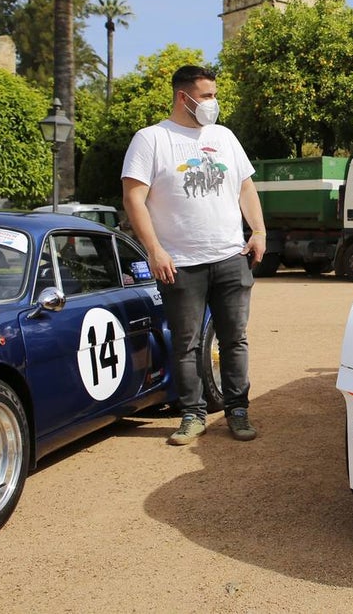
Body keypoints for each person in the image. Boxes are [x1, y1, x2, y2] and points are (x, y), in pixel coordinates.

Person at [121, 65, 267, 445]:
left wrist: (259, 231)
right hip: (180, 262)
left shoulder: (225, 137)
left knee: (234, 339)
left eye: (214, 95)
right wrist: (154, 250)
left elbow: (245, 187)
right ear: (182, 97)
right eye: (206, 96)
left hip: (230, 257)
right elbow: (133, 198)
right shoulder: (151, 139)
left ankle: (237, 410)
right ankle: (192, 414)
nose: (213, 103)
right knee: (185, 342)